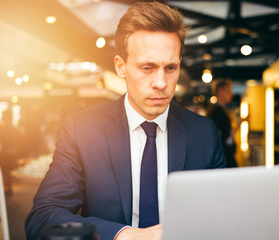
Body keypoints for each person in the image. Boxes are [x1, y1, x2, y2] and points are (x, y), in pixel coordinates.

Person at [25, 2, 226, 240]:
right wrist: (126, 235)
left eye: (170, 67)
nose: (161, 82)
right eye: (147, 67)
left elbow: (222, 215)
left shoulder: (203, 132)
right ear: (121, 66)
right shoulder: (83, 130)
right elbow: (43, 217)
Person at [207, 79, 238, 168]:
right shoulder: (217, 112)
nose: (232, 94)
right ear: (221, 92)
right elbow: (225, 138)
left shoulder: (217, 111)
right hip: (224, 161)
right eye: (229, 91)